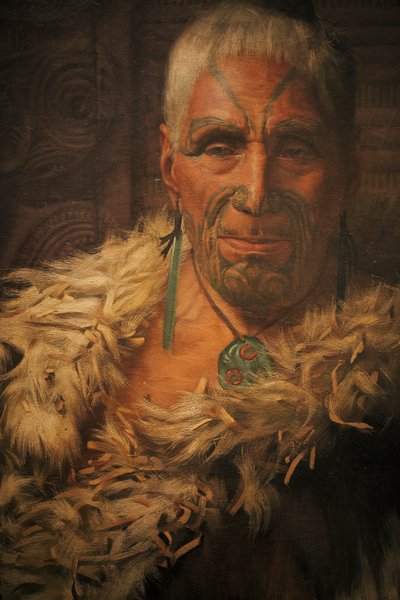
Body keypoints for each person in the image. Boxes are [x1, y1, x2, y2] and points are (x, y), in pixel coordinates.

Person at [0, 2, 399, 599]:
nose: (256, 194)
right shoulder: (40, 341)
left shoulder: (383, 380)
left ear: (349, 168)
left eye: (296, 148)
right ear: (169, 165)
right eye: (220, 145)